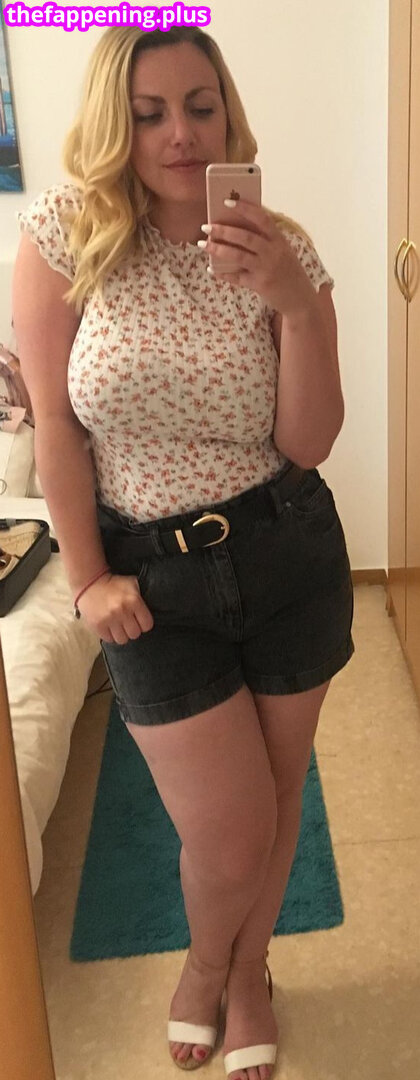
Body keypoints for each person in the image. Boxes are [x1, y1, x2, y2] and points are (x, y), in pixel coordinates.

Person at [12, 25, 354, 1080]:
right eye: (149, 112)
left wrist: (293, 301)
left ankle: (248, 975)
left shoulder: (279, 248)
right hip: (149, 583)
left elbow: (308, 442)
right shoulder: (65, 234)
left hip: (286, 551)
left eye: (201, 107)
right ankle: (207, 966)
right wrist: (86, 578)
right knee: (228, 830)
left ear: (228, 113)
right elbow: (56, 427)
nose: (179, 134)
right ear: (113, 122)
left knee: (279, 798)